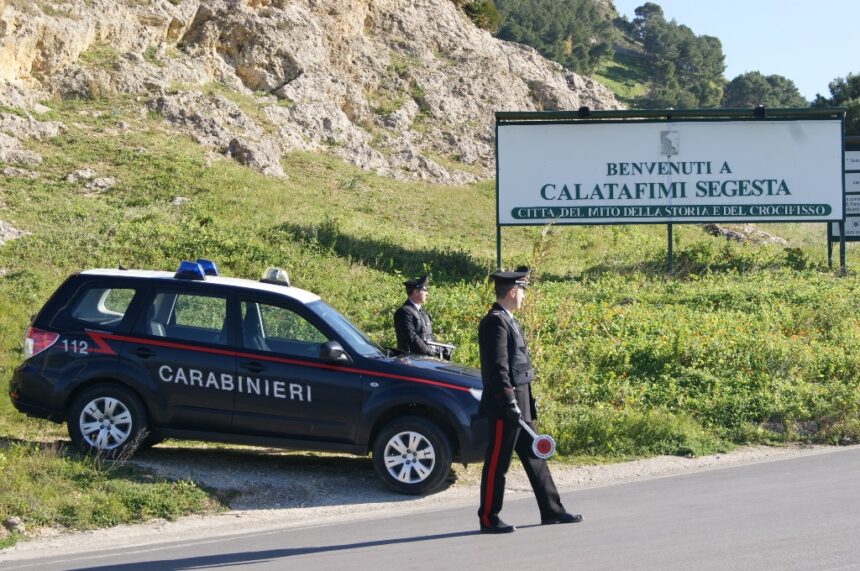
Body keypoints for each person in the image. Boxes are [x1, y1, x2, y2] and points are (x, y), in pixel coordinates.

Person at [477, 268, 582, 534]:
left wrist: (527, 403)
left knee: (536, 457)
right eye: (522, 291)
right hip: (506, 405)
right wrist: (509, 402)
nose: (524, 296)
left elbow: (518, 365)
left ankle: (552, 510)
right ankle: (489, 517)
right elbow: (497, 368)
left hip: (520, 402)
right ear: (512, 292)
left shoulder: (509, 320)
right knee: (497, 464)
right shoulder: (495, 322)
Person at [393, 275, 452, 359]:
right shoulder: (404, 312)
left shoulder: (422, 312)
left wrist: (440, 349)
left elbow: (428, 337)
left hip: (425, 359)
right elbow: (412, 338)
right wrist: (429, 352)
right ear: (416, 292)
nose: (427, 294)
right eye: (424, 290)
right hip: (411, 361)